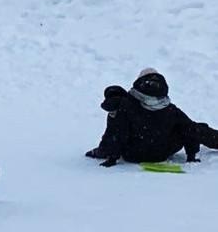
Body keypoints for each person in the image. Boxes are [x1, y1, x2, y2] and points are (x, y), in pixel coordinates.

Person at [85, 69, 218, 166]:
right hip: (161, 153)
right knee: (191, 127)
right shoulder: (170, 109)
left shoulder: (125, 107)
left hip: (133, 154)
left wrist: (103, 153)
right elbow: (193, 130)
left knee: (119, 122)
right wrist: (191, 154)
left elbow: (116, 134)